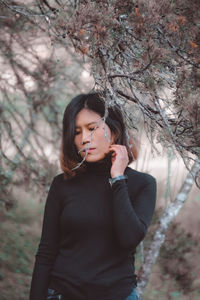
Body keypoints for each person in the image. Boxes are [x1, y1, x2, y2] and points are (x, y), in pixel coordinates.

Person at [29, 92, 156, 300]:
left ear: (114, 131)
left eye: (92, 128)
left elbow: (129, 239)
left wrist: (117, 179)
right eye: (77, 132)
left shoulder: (142, 184)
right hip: (63, 294)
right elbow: (46, 252)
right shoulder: (62, 185)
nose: (84, 139)